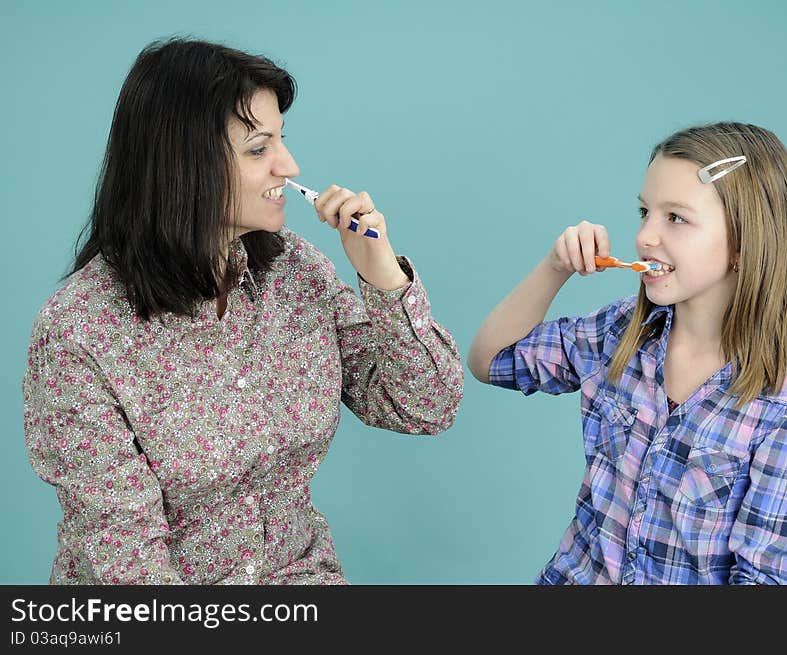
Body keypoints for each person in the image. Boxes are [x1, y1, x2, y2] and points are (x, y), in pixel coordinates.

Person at [22, 38, 463, 584]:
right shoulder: (79, 332)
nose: (290, 165)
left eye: (282, 140)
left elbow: (425, 405)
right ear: (183, 164)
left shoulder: (295, 273)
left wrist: (381, 272)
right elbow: (129, 569)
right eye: (259, 149)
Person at [468, 122, 787, 584]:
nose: (645, 236)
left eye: (676, 218)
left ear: (745, 242)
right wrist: (555, 267)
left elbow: (761, 579)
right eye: (645, 212)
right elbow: (490, 361)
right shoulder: (621, 333)